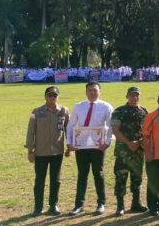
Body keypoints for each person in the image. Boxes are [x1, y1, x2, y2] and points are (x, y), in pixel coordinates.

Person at [66, 81, 114, 216]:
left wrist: (108, 142)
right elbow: (70, 126)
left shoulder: (106, 107)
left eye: (95, 90)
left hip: (98, 147)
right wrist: (69, 143)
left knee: (98, 174)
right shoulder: (78, 106)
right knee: (82, 175)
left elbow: (111, 127)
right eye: (90, 90)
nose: (92, 93)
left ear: (100, 91)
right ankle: (78, 205)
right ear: (86, 92)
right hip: (81, 147)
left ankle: (101, 204)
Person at [25, 86, 69, 216]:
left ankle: (53, 205)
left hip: (57, 152)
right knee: (39, 180)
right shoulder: (36, 112)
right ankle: (38, 207)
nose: (52, 98)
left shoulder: (64, 111)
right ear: (45, 97)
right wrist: (30, 150)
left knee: (56, 180)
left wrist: (70, 146)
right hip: (40, 152)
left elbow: (69, 130)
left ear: (58, 97)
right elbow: (30, 132)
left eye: (54, 95)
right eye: (49, 95)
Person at [111, 87, 149, 216]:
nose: (135, 98)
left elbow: (147, 131)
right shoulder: (119, 111)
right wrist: (128, 143)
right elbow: (115, 130)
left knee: (137, 177)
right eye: (132, 95)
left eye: (137, 95)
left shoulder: (144, 112)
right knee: (121, 177)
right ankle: (120, 205)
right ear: (127, 96)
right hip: (123, 151)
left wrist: (137, 143)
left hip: (138, 151)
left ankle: (136, 203)